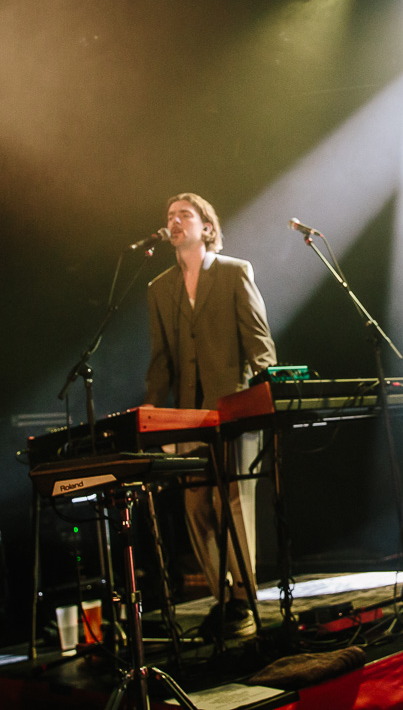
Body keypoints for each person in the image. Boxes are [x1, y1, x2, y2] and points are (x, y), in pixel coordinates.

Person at [144, 192, 277, 638]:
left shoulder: (234, 271)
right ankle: (224, 600)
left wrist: (266, 392)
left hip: (234, 407)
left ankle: (245, 599)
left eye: (184, 214)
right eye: (170, 215)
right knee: (196, 505)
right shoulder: (159, 288)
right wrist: (153, 411)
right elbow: (160, 358)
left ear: (206, 226)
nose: (175, 221)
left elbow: (258, 339)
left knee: (233, 502)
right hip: (187, 415)